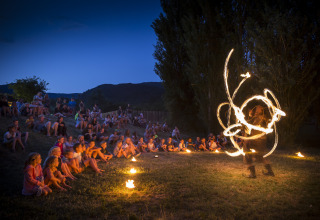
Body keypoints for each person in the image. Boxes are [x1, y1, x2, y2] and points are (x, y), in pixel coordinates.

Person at [243, 105, 275, 178]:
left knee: (247, 155)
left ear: (261, 111)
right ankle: (270, 171)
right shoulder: (259, 118)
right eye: (255, 109)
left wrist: (247, 139)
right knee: (259, 157)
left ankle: (252, 174)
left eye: (257, 110)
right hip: (259, 140)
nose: (255, 111)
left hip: (256, 140)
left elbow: (251, 129)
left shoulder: (260, 118)